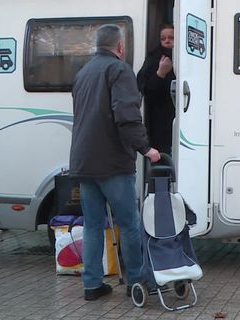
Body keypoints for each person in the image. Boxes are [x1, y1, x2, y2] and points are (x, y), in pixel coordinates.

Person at [69, 24, 160, 301]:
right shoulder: (119, 70)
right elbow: (126, 114)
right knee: (129, 223)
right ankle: (137, 280)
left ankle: (92, 285)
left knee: (93, 225)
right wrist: (146, 148)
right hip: (112, 162)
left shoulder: (83, 72)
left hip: (84, 162)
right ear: (120, 47)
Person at [137, 23, 176, 155]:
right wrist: (160, 73)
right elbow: (146, 90)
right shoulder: (153, 58)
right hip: (160, 120)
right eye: (163, 38)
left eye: (171, 37)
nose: (167, 40)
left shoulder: (190, 58)